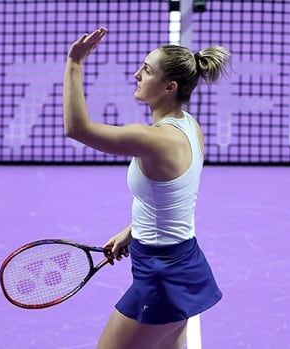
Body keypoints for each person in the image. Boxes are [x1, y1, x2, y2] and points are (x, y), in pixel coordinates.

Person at [63, 27, 229, 349]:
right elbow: (172, 199)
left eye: (147, 70)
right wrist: (132, 230)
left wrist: (74, 64)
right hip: (184, 261)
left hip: (161, 275)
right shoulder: (190, 126)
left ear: (169, 87)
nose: (137, 74)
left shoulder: (153, 139)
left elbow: (76, 128)